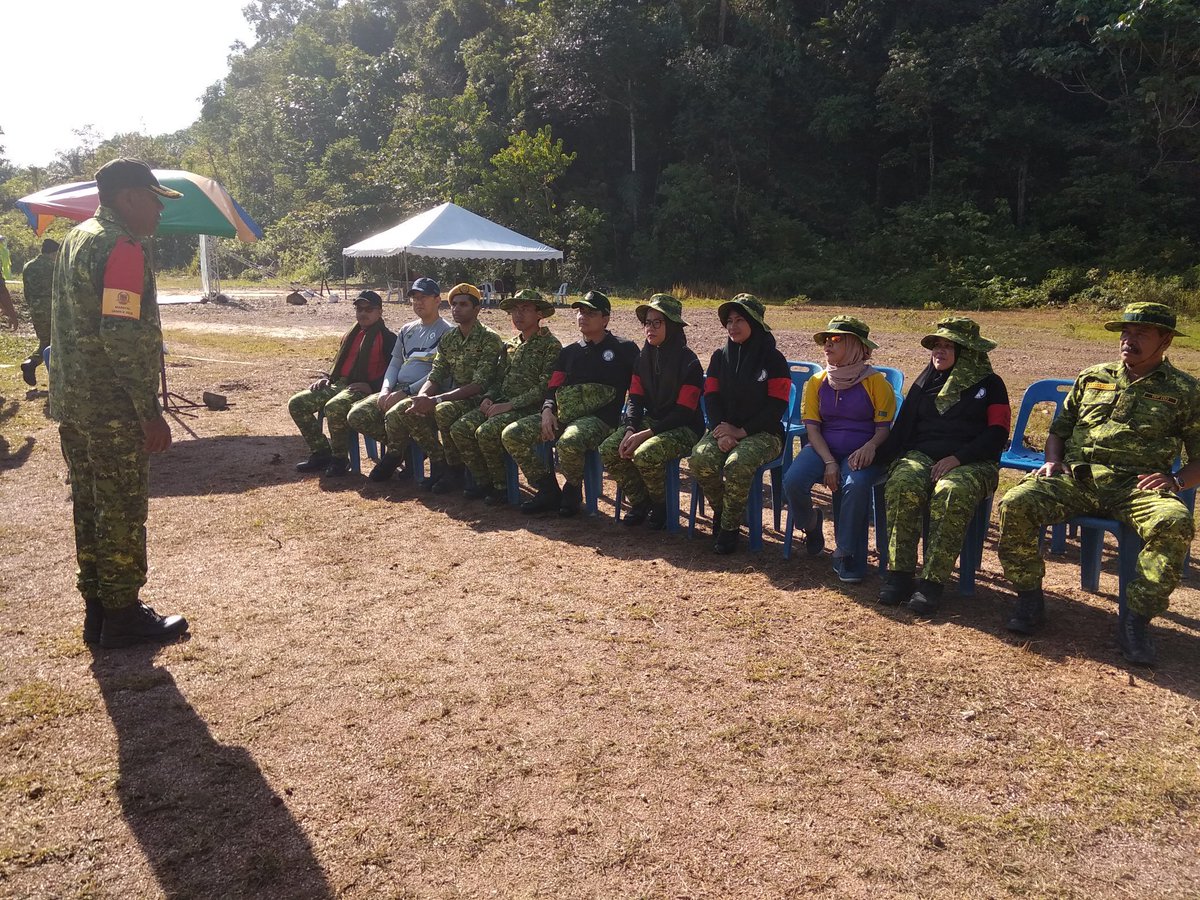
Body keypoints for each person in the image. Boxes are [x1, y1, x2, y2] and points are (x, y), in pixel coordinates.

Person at [998, 302, 1200, 666]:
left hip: (1137, 487)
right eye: (1126, 333)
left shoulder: (1185, 390)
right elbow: (1059, 431)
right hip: (1080, 478)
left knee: (1175, 522)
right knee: (1017, 502)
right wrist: (1052, 461)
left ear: (1165, 340)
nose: (1129, 340)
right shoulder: (1093, 376)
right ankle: (1029, 598)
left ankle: (1135, 621)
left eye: (1141, 334)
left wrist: (1176, 479)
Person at [49, 158, 188, 648]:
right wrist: (149, 412)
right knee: (122, 508)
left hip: (76, 402)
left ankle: (100, 610)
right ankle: (124, 614)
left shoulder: (77, 238)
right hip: (112, 407)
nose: (158, 212)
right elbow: (122, 335)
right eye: (154, 200)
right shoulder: (122, 245)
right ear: (129, 197)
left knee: (90, 506)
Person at [875, 317, 1010, 615]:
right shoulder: (924, 382)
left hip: (973, 461)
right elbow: (902, 431)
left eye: (948, 346)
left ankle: (931, 584)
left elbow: (997, 433)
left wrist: (958, 458)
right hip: (922, 455)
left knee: (951, 491)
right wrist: (874, 455)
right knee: (902, 482)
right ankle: (900, 576)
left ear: (968, 352)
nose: (939, 350)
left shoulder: (991, 385)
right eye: (937, 345)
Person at [503, 290, 639, 517]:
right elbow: (553, 388)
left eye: (590, 313)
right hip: (563, 415)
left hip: (601, 420)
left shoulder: (625, 349)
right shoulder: (569, 352)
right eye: (580, 312)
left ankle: (572, 489)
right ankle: (547, 489)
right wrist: (547, 410)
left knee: (569, 441)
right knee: (512, 434)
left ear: (605, 319)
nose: (582, 317)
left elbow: (638, 390)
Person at [782, 316, 895, 582]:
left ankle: (846, 553)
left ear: (856, 345)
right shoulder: (818, 381)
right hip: (824, 447)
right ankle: (810, 524)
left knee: (854, 486)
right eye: (826, 340)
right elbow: (813, 429)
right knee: (793, 480)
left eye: (836, 340)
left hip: (862, 450)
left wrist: (870, 446)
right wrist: (829, 462)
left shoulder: (877, 383)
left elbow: (884, 429)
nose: (827, 345)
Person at [363, 283, 504, 493]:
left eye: (464, 304)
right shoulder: (450, 339)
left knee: (443, 411)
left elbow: (479, 384)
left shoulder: (489, 339)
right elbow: (437, 373)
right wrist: (420, 397)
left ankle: (461, 472)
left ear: (477, 309)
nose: (457, 308)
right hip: (453, 396)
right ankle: (441, 466)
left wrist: (436, 399)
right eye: (454, 304)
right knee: (409, 411)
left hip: (479, 399)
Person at [688, 294, 791, 554]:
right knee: (700, 458)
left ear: (755, 323)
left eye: (740, 320)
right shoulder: (719, 357)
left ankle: (729, 529)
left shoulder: (774, 359)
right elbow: (710, 396)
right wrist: (721, 430)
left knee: (737, 462)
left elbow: (776, 407)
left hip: (764, 433)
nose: (733, 326)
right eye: (729, 320)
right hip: (724, 428)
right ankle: (724, 512)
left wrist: (742, 432)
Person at [600, 294, 704, 528]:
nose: (650, 328)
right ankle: (640, 501)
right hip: (652, 423)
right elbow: (635, 400)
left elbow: (684, 413)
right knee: (609, 449)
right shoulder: (641, 359)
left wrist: (646, 433)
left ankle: (662, 505)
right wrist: (630, 429)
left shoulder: (690, 363)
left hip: (684, 428)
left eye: (658, 322)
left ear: (673, 326)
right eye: (647, 322)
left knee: (646, 453)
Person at [449, 289, 561, 503]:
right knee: (460, 428)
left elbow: (544, 388)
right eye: (515, 310)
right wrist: (489, 396)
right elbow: (499, 379)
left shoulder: (551, 345)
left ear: (539, 314)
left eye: (525, 309)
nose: (518, 315)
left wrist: (510, 405)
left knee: (487, 431)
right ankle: (484, 482)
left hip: (530, 408)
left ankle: (530, 487)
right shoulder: (510, 344)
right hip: (502, 404)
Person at [345, 277, 451, 480]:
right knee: (356, 415)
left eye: (424, 297)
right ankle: (408, 451)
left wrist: (405, 392)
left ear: (438, 300)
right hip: (398, 388)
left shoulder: (447, 331)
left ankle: (396, 455)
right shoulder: (407, 330)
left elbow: (440, 372)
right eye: (414, 298)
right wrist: (386, 390)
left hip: (425, 392)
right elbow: (394, 364)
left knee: (395, 415)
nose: (418, 302)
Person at [289, 290, 397, 476]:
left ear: (379, 311)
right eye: (359, 308)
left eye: (369, 309)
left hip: (363, 388)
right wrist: (326, 378)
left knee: (334, 407)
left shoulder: (388, 338)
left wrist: (372, 386)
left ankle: (340, 459)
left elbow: (394, 371)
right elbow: (340, 363)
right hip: (338, 383)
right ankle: (322, 452)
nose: (363, 313)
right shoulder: (351, 334)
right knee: (297, 403)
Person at [19, 239, 60, 385]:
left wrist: (32, 305)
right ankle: (34, 364)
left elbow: (27, 290)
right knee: (55, 342)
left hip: (36, 308)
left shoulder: (28, 266)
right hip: (52, 308)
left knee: (45, 341)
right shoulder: (54, 267)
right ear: (54, 253)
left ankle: (31, 363)